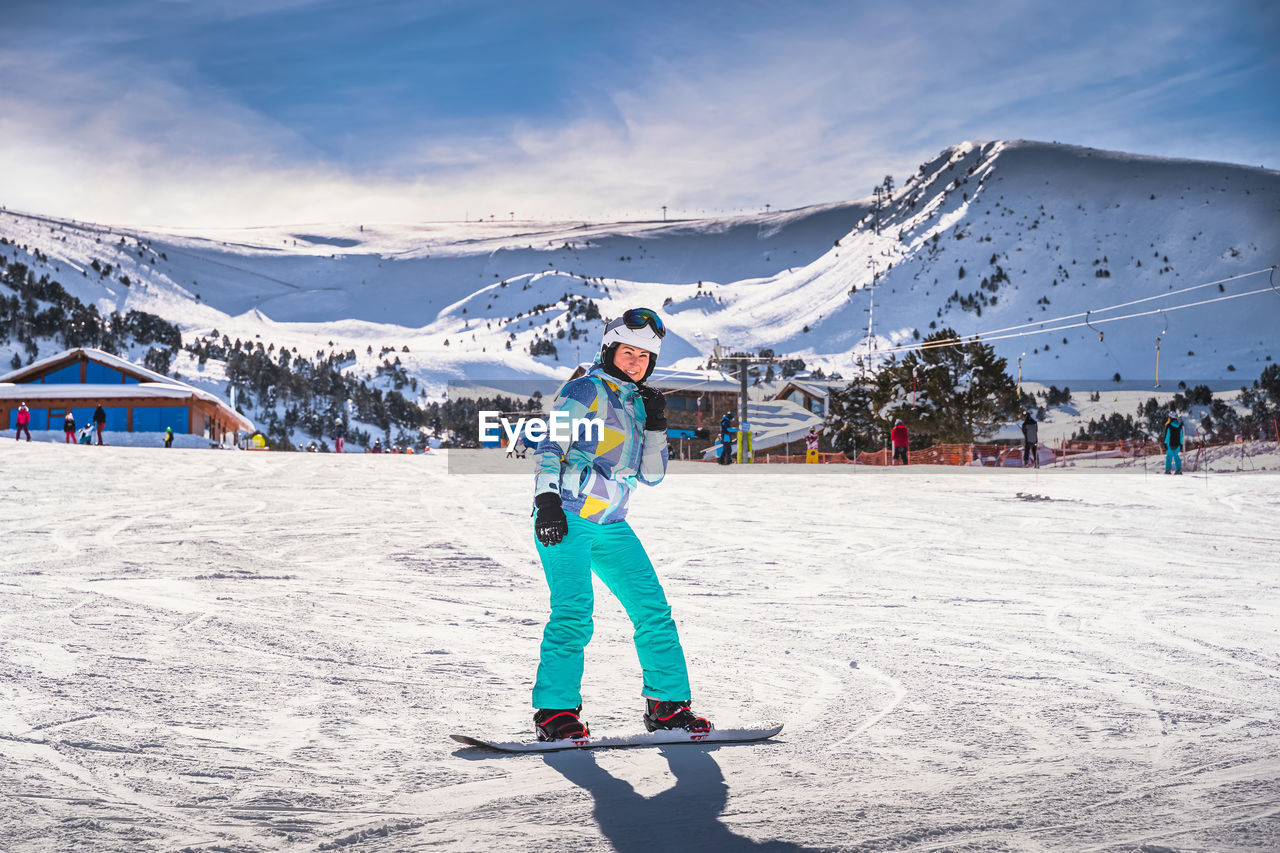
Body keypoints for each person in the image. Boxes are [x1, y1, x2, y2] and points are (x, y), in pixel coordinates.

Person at [530, 307, 710, 742]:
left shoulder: (639, 404)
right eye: (628, 352)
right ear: (610, 350)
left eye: (645, 356)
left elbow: (652, 476)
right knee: (574, 611)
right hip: (567, 514)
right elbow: (551, 442)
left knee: (653, 611)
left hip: (612, 522)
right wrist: (547, 499)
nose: (636, 362)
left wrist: (657, 425)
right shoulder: (585, 389)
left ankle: (667, 706)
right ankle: (555, 712)